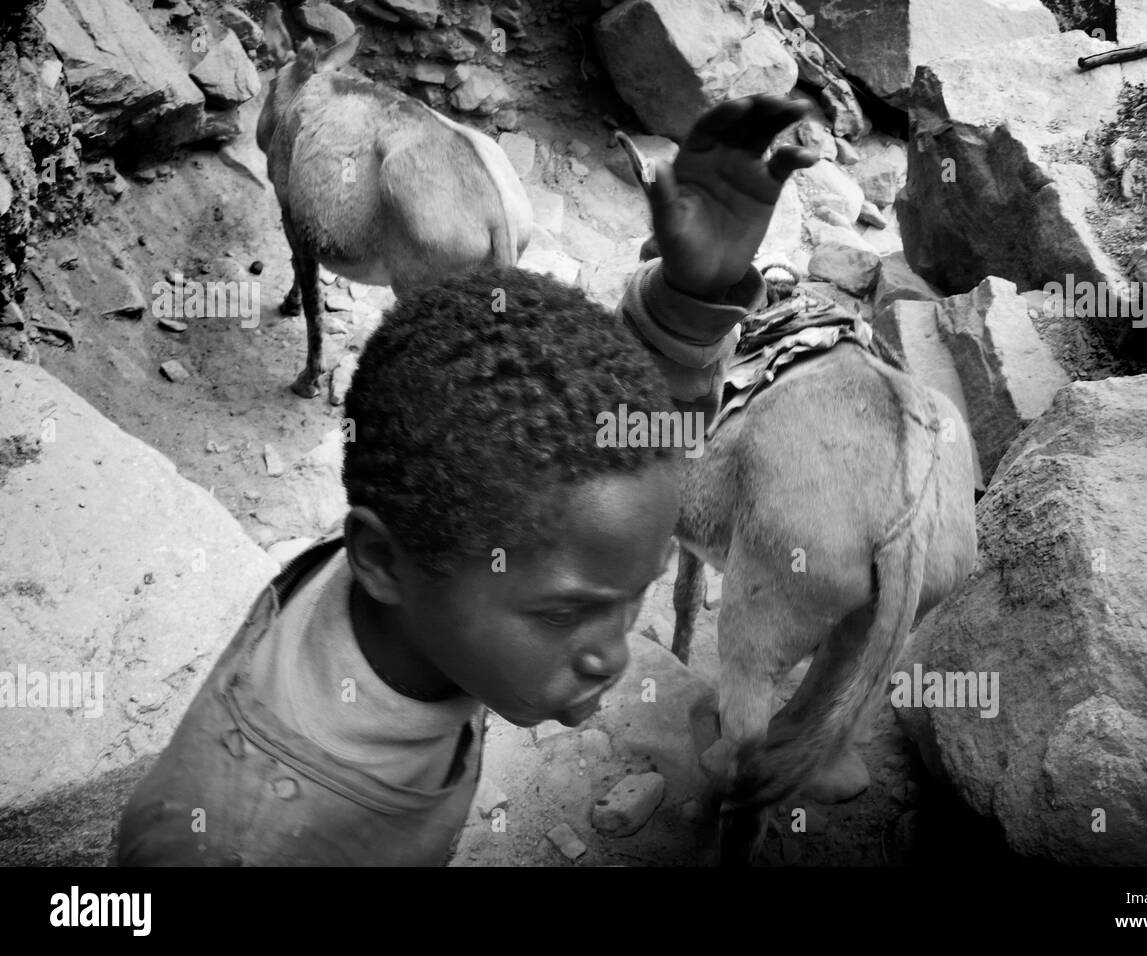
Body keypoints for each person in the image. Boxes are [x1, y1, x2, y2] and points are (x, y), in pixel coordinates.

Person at [115, 95, 819, 866]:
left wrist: (691, 298)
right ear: (379, 562)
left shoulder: (452, 561)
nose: (612, 657)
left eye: (633, 597)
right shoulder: (234, 839)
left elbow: (597, 459)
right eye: (565, 614)